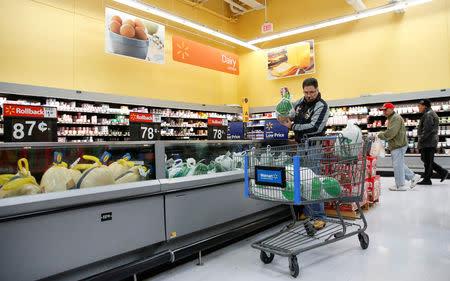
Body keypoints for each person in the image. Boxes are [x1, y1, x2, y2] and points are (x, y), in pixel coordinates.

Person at [278, 77, 329, 229]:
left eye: (312, 92)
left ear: (317, 90)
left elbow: (315, 127)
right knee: (302, 180)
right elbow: (287, 111)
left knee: (313, 181)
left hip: (313, 147)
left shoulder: (321, 106)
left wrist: (293, 126)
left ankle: (319, 216)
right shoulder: (300, 103)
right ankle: (307, 212)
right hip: (301, 146)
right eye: (306, 92)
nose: (309, 95)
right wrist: (285, 100)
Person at [377, 103, 421, 191]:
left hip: (398, 145)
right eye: (383, 110)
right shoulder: (392, 118)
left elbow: (391, 133)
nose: (384, 112)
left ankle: (400, 185)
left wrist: (379, 135)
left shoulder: (395, 118)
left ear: (391, 109)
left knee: (397, 165)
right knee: (398, 164)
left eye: (385, 110)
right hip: (397, 144)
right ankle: (413, 176)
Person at [417, 99, 448, 185]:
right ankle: (440, 173)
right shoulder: (429, 113)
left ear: (425, 106)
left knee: (427, 160)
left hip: (428, 141)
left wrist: (421, 140)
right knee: (427, 160)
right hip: (430, 141)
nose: (418, 107)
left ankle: (429, 178)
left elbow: (427, 130)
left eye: (419, 106)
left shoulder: (428, 114)